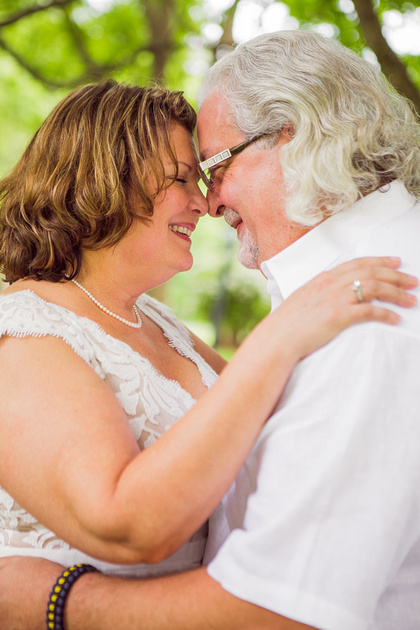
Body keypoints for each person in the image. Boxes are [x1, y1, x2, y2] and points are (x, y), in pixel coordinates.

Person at [0, 30, 420, 630]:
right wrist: (277, 338)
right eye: (183, 176)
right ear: (103, 179)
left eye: (212, 170)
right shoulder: (25, 332)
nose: (204, 200)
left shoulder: (165, 326)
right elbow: (124, 518)